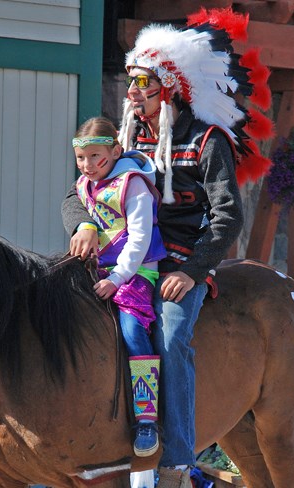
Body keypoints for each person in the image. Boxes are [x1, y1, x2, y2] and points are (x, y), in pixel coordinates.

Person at [63, 8, 273, 488]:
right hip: (117, 257)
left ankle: (176, 463)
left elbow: (228, 216)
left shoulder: (207, 141)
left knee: (173, 337)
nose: (132, 92)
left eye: (142, 83)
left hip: (178, 261)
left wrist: (193, 271)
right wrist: (83, 225)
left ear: (171, 87)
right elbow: (74, 192)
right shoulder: (124, 140)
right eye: (133, 83)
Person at [70, 116, 168, 458]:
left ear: (115, 151)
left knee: (131, 331)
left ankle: (146, 417)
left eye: (96, 157)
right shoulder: (85, 184)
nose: (87, 165)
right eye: (81, 159)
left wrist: (116, 279)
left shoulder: (133, 184)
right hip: (100, 271)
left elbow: (140, 238)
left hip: (136, 273)